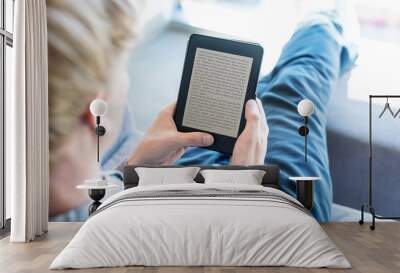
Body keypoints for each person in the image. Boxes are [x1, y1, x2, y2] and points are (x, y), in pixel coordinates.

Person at [48, 0, 357, 222]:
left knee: (250, 102)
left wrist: (135, 169)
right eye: (121, 66)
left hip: (158, 185)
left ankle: (321, 26)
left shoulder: (34, 212)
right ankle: (325, 21)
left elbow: (92, 211)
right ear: (95, 106)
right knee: (292, 91)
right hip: (246, 219)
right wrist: (242, 186)